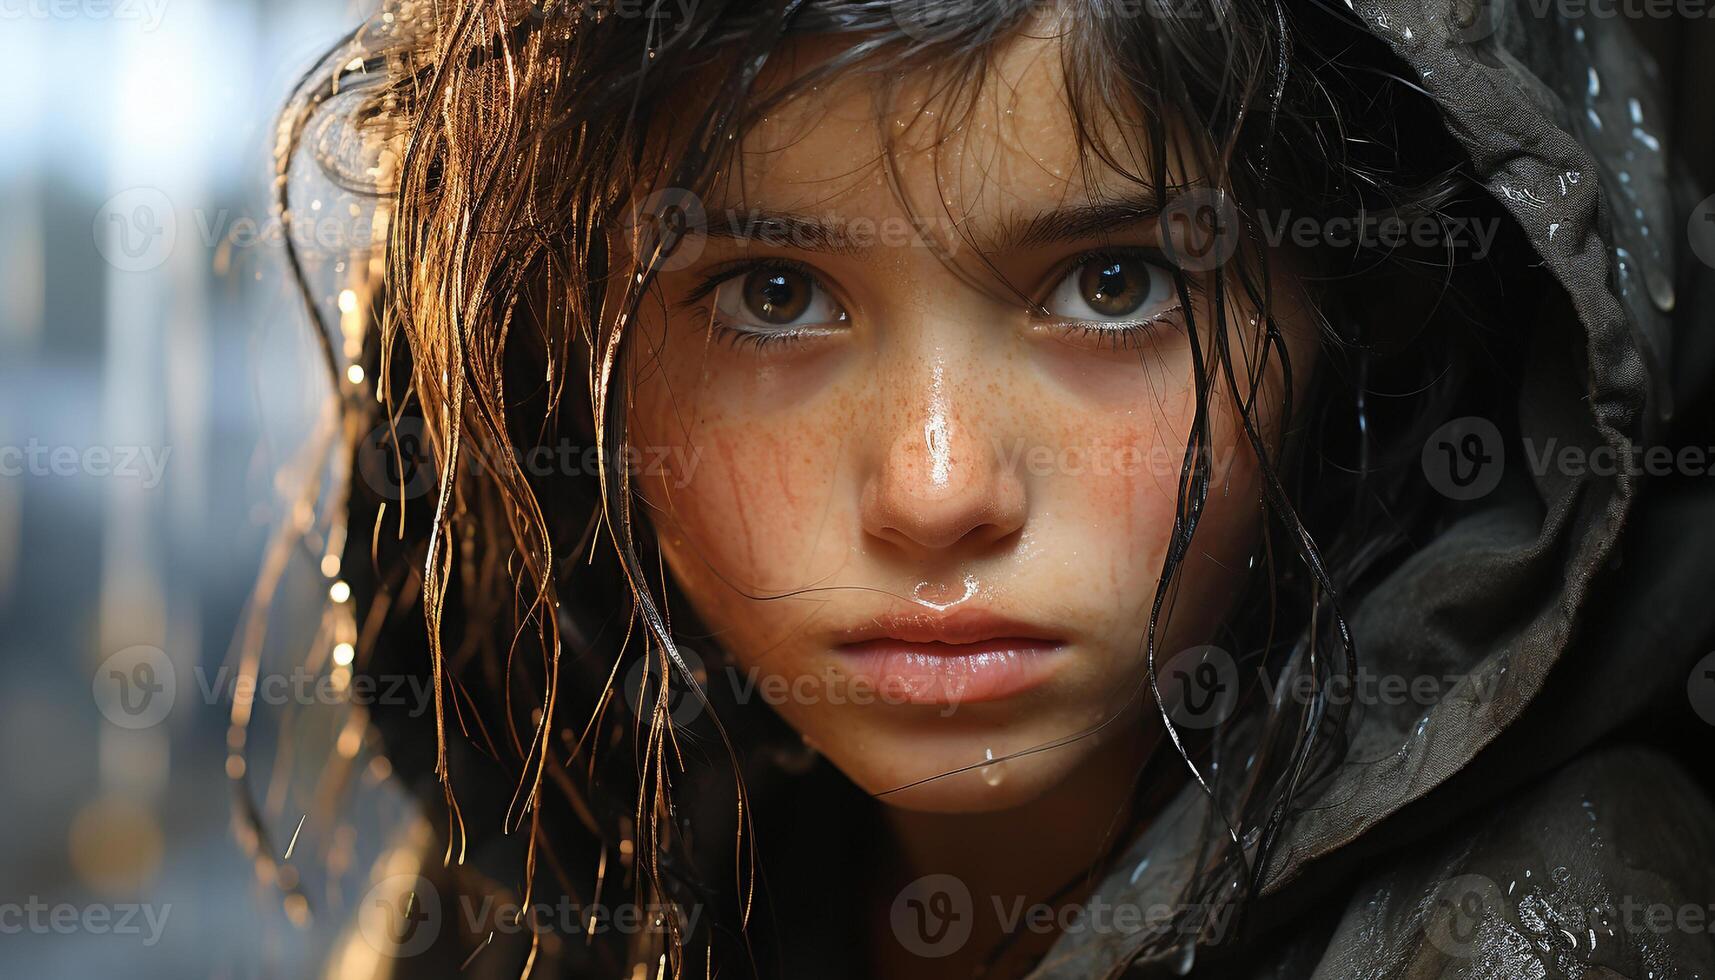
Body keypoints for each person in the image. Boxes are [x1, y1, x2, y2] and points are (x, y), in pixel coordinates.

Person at [265, 1, 1715, 976]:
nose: (940, 489)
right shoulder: (554, 895)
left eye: (1115, 282)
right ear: (564, 349)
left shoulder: (1566, 920)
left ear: (1348, 323)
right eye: (774, 295)